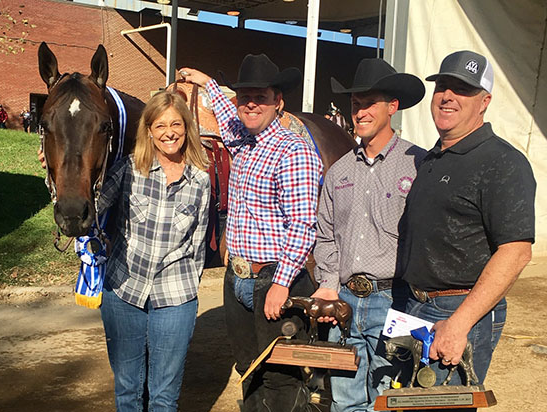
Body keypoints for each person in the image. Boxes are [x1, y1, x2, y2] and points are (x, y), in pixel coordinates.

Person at [180, 54, 323, 412]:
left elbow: (303, 224)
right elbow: (226, 113)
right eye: (245, 96)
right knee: (248, 369)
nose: (251, 103)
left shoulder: (294, 151)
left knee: (280, 374)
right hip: (239, 277)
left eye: (260, 96)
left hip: (274, 278)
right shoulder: (242, 138)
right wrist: (204, 80)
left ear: (278, 102)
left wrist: (282, 283)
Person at [398, 50, 536, 401]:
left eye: (462, 89)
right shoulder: (432, 158)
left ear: (484, 101)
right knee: (405, 403)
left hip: (455, 310)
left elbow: (516, 251)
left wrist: (459, 324)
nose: (447, 96)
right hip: (413, 306)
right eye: (443, 86)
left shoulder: (501, 162)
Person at [313, 58, 427, 411]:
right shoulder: (340, 171)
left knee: (391, 400)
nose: (359, 112)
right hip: (346, 299)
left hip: (397, 299)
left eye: (369, 103)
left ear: (392, 106)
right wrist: (329, 283)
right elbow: (326, 234)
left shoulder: (419, 164)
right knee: (344, 399)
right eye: (355, 103)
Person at [97, 91, 211, 411]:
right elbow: (91, 208)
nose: (169, 132)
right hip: (123, 293)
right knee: (127, 390)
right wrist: (55, 169)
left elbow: (198, 246)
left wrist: (187, 286)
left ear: (187, 128)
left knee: (164, 395)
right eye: (160, 126)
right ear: (149, 130)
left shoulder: (200, 181)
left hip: (175, 298)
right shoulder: (129, 169)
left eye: (176, 124)